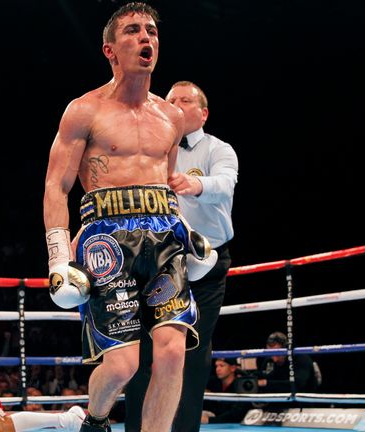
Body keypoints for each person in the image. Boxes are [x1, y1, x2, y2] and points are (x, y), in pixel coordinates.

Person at [42, 3, 215, 431]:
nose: (146, 39)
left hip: (163, 238)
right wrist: (59, 259)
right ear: (110, 50)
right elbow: (56, 186)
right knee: (121, 366)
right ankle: (96, 418)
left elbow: (163, 184)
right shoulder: (84, 110)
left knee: (173, 352)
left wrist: (188, 230)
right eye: (133, 31)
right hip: (106, 241)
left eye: (152, 31)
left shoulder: (171, 118)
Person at [125, 80, 238, 432]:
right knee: (142, 353)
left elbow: (225, 182)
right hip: (155, 262)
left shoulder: (219, 149)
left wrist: (196, 185)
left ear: (202, 112)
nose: (174, 104)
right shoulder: (151, 146)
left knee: (192, 356)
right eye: (169, 99)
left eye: (184, 100)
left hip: (206, 265)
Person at [203, 358, 252, 424]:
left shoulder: (241, 386)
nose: (218, 369)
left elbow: (237, 414)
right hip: (217, 424)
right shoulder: (214, 383)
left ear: (232, 368)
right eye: (216, 366)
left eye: (222, 366)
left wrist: (210, 420)